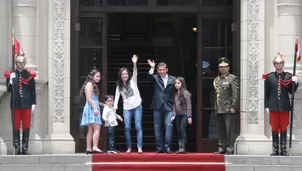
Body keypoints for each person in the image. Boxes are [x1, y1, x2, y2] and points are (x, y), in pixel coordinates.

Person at [263, 52, 299, 156]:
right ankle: (275, 149)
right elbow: (266, 93)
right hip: (273, 106)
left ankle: (283, 149)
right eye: (277, 63)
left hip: (284, 106)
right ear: (274, 65)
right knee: (274, 127)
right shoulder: (269, 77)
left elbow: (291, 91)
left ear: (283, 64)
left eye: (280, 63)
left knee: (283, 127)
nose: (279, 65)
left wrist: (295, 83)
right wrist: (266, 106)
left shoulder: (288, 76)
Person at [4, 55, 36, 155]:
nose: (20, 64)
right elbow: (9, 90)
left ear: (24, 63)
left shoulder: (29, 75)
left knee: (26, 126)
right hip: (16, 104)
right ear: (16, 64)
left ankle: (25, 148)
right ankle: (17, 148)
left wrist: (33, 103)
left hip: (27, 104)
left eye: (22, 63)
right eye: (19, 62)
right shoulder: (12, 75)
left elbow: (33, 91)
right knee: (16, 126)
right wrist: (10, 81)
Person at [114, 54, 143, 154]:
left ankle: (139, 147)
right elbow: (116, 98)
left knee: (138, 126)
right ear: (120, 76)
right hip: (126, 108)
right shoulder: (119, 86)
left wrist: (134, 63)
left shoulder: (133, 81)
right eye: (123, 74)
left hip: (137, 106)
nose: (125, 75)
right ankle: (129, 147)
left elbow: (135, 72)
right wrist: (114, 109)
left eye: (126, 74)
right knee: (127, 127)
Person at [147, 60, 176, 153]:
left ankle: (167, 147)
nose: (162, 71)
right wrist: (152, 67)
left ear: (167, 70)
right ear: (158, 70)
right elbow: (148, 78)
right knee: (157, 127)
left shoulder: (173, 79)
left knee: (169, 125)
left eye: (163, 69)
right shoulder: (155, 77)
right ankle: (160, 148)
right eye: (160, 70)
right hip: (157, 105)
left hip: (169, 106)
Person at [213, 57, 239, 155]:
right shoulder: (217, 79)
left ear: (228, 67)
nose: (222, 69)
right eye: (221, 67)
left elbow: (235, 94)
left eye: (224, 67)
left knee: (229, 130)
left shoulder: (232, 78)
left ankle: (230, 149)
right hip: (219, 108)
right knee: (221, 130)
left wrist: (234, 107)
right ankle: (221, 148)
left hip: (228, 108)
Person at [79, 69, 103, 154]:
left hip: (91, 107)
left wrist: (104, 105)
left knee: (90, 129)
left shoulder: (91, 85)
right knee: (97, 127)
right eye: (97, 76)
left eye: (99, 76)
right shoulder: (89, 85)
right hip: (91, 108)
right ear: (92, 76)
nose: (98, 78)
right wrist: (95, 108)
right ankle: (95, 146)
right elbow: (89, 98)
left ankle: (88, 148)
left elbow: (95, 100)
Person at [170, 77, 192, 154]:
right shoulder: (175, 93)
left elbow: (189, 105)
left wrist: (189, 116)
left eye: (178, 83)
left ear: (182, 84)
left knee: (182, 129)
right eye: (176, 83)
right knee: (178, 130)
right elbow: (174, 105)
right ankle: (180, 147)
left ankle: (183, 147)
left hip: (185, 114)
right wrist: (174, 115)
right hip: (178, 115)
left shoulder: (185, 93)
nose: (177, 85)